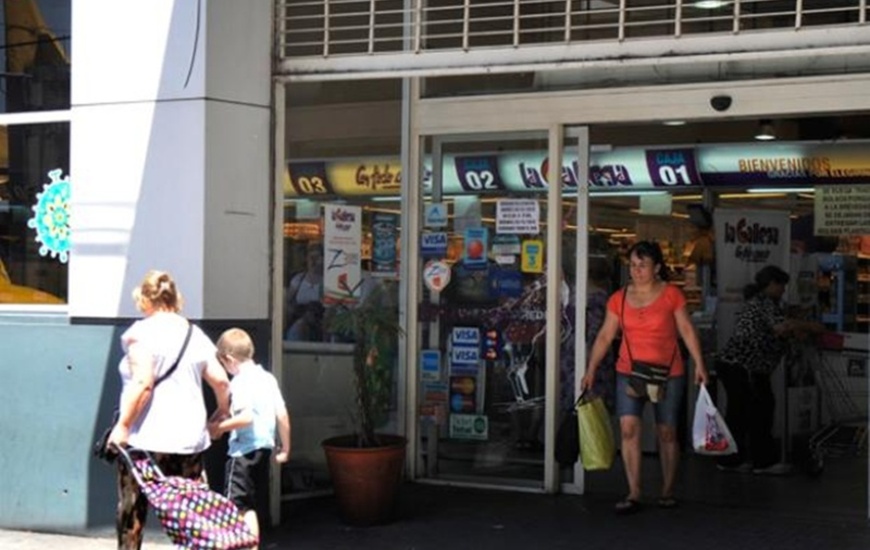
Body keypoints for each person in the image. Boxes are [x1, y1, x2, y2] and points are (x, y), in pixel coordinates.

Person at [107, 270, 231, 550]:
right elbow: (221, 381)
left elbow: (143, 383)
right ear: (175, 298)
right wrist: (222, 412)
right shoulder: (194, 334)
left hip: (144, 440)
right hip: (189, 440)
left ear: (144, 299)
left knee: (132, 513)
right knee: (192, 515)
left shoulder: (141, 333)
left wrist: (123, 426)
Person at [582, 240, 708, 515]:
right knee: (628, 428)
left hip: (668, 372)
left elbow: (686, 329)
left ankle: (667, 490)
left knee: (667, 431)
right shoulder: (618, 298)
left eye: (643, 265)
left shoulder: (671, 295)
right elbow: (605, 336)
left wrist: (699, 364)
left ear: (657, 268)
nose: (636, 271)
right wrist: (591, 368)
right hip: (629, 371)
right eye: (633, 265)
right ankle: (634, 491)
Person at [715, 265, 824, 475]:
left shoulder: (766, 303)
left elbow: (781, 330)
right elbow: (781, 327)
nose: (783, 290)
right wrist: (810, 327)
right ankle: (758, 460)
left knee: (747, 410)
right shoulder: (763, 302)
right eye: (781, 285)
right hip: (743, 366)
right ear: (772, 283)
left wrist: (799, 330)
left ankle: (737, 458)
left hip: (744, 366)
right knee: (756, 410)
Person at [209, 328, 292, 542]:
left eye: (223, 364)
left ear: (229, 360)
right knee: (249, 506)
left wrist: (219, 428)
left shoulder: (240, 382)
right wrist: (285, 448)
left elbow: (246, 418)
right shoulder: (268, 378)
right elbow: (282, 414)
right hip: (264, 450)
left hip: (242, 453)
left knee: (236, 506)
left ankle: (239, 544)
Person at [284, 241, 324, 341]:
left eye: (317, 257)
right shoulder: (298, 280)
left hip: (320, 326)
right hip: (299, 322)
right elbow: (287, 302)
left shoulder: (327, 282)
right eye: (311, 258)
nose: (313, 261)